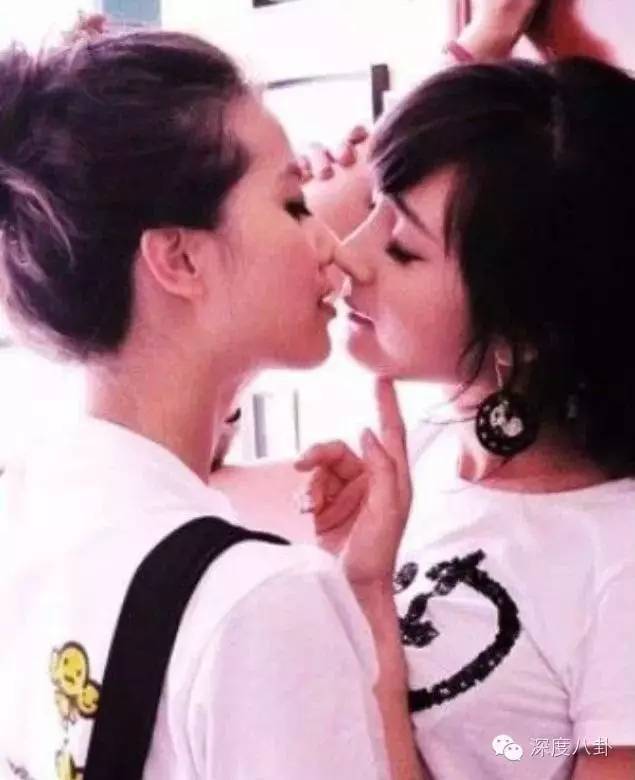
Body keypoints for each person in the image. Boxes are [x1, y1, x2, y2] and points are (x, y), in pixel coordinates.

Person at [0, 30, 420, 779]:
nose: (333, 246)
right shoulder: (259, 601)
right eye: (293, 204)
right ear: (179, 258)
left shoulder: (29, 509)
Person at [297, 55, 635, 779]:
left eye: (401, 248)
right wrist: (349, 569)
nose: (351, 255)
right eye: (370, 209)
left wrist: (371, 603)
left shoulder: (618, 562)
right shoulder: (418, 456)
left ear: (525, 327)